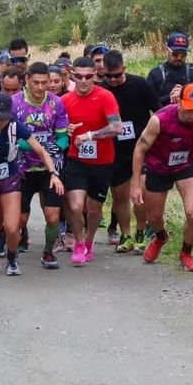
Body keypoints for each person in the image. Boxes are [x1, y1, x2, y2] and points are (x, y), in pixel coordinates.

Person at [131, 82, 193, 272]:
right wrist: (136, 184)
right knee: (154, 216)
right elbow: (140, 149)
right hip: (158, 166)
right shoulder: (160, 119)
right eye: (188, 109)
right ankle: (161, 237)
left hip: (186, 165)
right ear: (179, 102)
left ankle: (186, 253)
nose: (192, 115)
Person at [0, 92, 54, 276]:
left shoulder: (16, 126)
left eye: (4, 117)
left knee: (13, 227)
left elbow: (40, 150)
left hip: (9, 180)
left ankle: (12, 259)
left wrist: (53, 173)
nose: (1, 122)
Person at [60, 64, 123, 265]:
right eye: (79, 76)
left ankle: (89, 240)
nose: (83, 80)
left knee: (94, 209)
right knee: (76, 206)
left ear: (95, 75)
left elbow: (117, 127)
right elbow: (56, 128)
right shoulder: (65, 100)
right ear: (72, 76)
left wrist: (90, 135)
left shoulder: (105, 96)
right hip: (76, 160)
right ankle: (79, 243)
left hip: (102, 162)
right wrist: (66, 130)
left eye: (88, 76)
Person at [11, 61, 69, 268]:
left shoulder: (56, 103)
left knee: (53, 217)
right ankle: (16, 244)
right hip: (22, 170)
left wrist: (53, 148)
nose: (40, 87)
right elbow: (10, 138)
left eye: (44, 83)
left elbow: (63, 138)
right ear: (27, 80)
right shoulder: (14, 103)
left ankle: (48, 252)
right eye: (36, 83)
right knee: (19, 220)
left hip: (49, 170)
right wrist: (35, 147)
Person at [101, 49, 157, 251]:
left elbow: (158, 112)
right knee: (119, 195)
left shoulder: (141, 85)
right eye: (108, 76)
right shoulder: (101, 90)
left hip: (140, 147)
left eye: (117, 75)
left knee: (140, 193)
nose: (113, 80)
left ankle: (140, 232)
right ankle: (125, 236)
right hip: (115, 150)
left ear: (124, 68)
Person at [147, 31, 193, 108]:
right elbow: (147, 101)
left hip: (190, 113)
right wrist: (170, 97)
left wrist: (185, 92)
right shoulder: (156, 74)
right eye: (175, 54)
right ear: (167, 51)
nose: (179, 58)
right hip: (165, 114)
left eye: (183, 55)